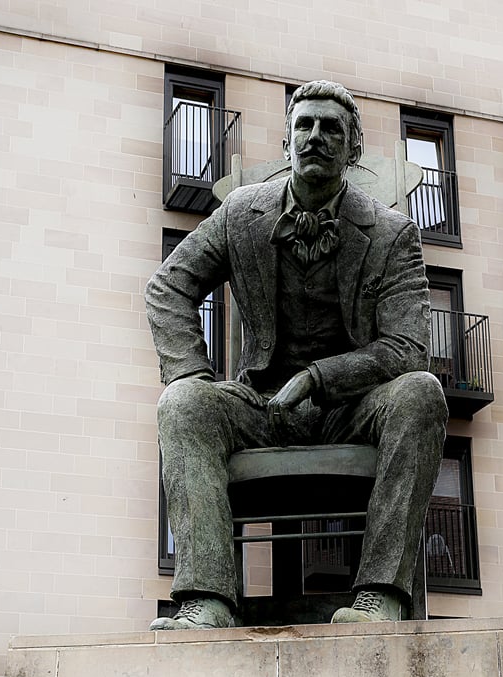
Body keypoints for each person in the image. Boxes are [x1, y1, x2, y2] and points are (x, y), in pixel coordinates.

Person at [145, 80, 448, 630]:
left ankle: (380, 595)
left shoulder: (391, 234)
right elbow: (168, 288)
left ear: (352, 151)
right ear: (287, 144)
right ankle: (208, 599)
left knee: (421, 393)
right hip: (261, 406)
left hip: (352, 410)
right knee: (182, 404)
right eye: (303, 127)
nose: (314, 138)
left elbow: (405, 350)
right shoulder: (241, 214)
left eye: (331, 129)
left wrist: (317, 377)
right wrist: (194, 375)